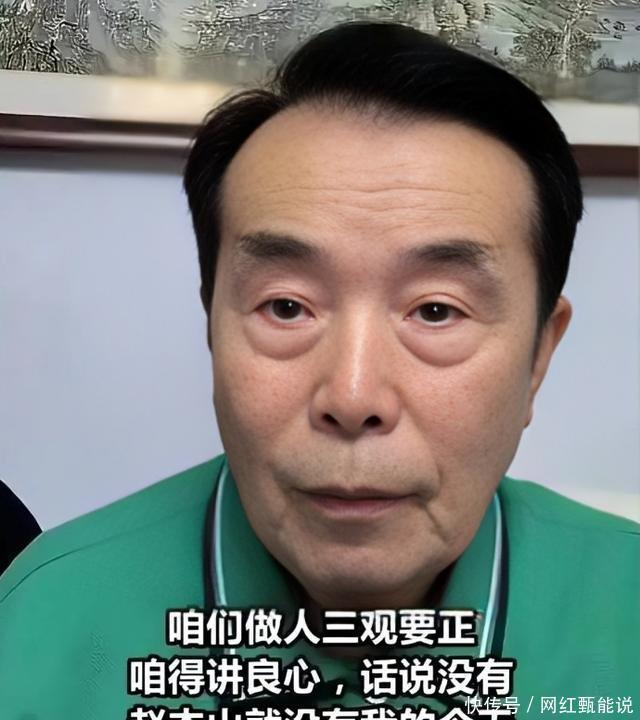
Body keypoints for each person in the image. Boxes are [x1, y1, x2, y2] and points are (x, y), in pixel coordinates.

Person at [0, 21, 637, 720]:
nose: (353, 396)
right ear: (212, 327)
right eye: (286, 307)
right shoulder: (42, 618)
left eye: (435, 311)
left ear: (539, 354)